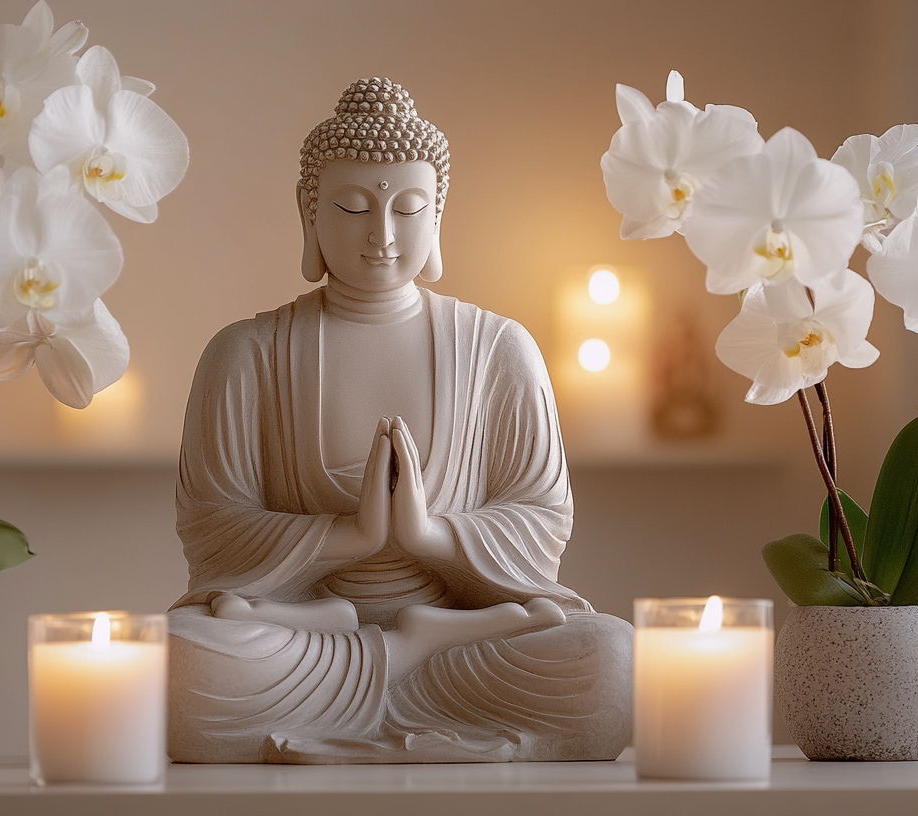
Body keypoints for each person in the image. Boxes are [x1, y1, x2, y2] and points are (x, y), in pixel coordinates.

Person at [168, 78, 632, 763]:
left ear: (439, 213)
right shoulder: (246, 354)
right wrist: (346, 539)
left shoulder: (499, 350)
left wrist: (430, 536)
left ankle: (407, 658)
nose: (381, 236)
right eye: (353, 207)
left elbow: (541, 519)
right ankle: (405, 658)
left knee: (611, 660)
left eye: (408, 209)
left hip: (464, 643)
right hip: (304, 641)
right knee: (170, 663)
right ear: (309, 212)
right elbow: (214, 527)